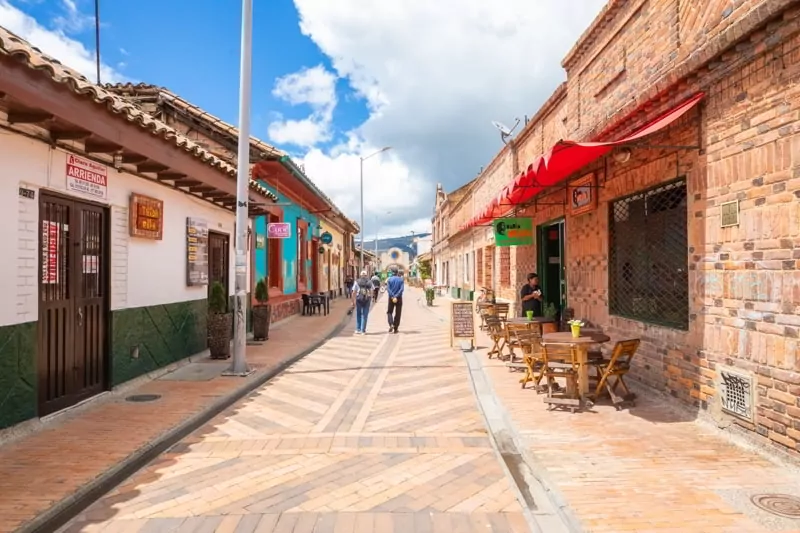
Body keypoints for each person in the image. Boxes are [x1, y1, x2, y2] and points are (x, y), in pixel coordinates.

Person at [352, 270, 373, 335]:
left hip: (359, 299)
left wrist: (353, 301)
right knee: (365, 315)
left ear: (360, 275)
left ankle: (358, 329)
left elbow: (353, 292)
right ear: (366, 275)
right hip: (367, 299)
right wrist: (371, 299)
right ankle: (363, 330)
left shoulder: (357, 281)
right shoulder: (370, 282)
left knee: (358, 314)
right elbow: (372, 291)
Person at [386, 267, 404, 333]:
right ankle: (396, 328)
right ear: (397, 272)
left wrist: (393, 296)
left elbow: (388, 289)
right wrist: (396, 296)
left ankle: (391, 324)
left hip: (391, 298)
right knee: (398, 313)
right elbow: (401, 289)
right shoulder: (401, 280)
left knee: (389, 312)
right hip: (399, 298)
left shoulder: (389, 280)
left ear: (392, 272)